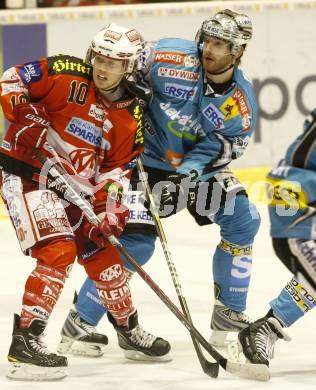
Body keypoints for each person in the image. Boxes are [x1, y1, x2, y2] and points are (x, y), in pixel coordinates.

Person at [58, 9, 260, 359]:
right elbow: (119, 63)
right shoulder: (169, 56)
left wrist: (190, 172)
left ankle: (228, 313)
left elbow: (223, 147)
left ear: (239, 51)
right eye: (207, 40)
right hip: (142, 163)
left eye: (220, 44)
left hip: (193, 174)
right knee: (136, 243)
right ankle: (80, 321)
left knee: (244, 219)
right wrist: (128, 89)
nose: (209, 49)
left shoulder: (239, 103)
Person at [0, 22, 171, 381]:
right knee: (59, 250)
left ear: (129, 67)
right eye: (99, 59)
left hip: (78, 188)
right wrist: (23, 114)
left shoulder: (130, 113)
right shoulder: (64, 73)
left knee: (106, 256)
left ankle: (127, 329)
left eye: (114, 63)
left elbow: (117, 170)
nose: (102, 69)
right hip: (28, 173)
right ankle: (26, 340)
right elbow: (11, 79)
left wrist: (109, 206)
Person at [238, 108, 316, 367]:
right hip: (298, 214)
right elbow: (298, 163)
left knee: (311, 280)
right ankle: (267, 327)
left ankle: (268, 326)